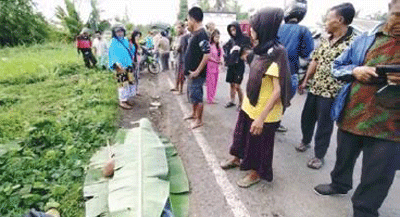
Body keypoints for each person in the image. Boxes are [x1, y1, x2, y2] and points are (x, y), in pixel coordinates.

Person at [314, 1, 400, 216]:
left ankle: (365, 210)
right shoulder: (367, 38)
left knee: (378, 172)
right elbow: (337, 66)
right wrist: (356, 70)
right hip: (354, 113)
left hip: (390, 125)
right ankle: (339, 184)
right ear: (389, 8)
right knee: (344, 154)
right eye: (397, 15)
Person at [221, 7, 292, 188]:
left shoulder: (277, 53)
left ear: (265, 28)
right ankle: (237, 159)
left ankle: (256, 173)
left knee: (260, 145)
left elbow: (277, 91)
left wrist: (261, 118)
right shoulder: (260, 49)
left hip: (265, 111)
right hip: (250, 105)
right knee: (242, 135)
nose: (250, 32)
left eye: (253, 28)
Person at [296, 3, 356, 169]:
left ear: (339, 20)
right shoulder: (324, 39)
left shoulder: (353, 43)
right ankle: (305, 141)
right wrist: (305, 80)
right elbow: (315, 60)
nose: (326, 23)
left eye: (328, 19)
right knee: (306, 117)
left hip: (332, 93)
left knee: (324, 125)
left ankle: (319, 156)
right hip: (315, 87)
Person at [276, 0, 314, 132]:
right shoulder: (304, 31)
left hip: (272, 70)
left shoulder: (277, 27)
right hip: (290, 72)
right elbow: (306, 53)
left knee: (268, 96)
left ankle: (265, 121)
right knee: (284, 101)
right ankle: (276, 122)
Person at [183, 7, 210, 129]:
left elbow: (207, 54)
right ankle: (193, 114)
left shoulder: (202, 34)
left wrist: (197, 71)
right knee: (192, 95)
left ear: (193, 19)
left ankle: (199, 120)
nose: (187, 22)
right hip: (191, 73)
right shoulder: (195, 33)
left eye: (188, 19)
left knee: (197, 97)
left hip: (196, 74)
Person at [223, 21, 251, 109]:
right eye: (231, 30)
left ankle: (241, 103)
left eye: (234, 29)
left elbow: (248, 50)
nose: (233, 32)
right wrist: (228, 55)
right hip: (231, 65)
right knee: (231, 84)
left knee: (237, 85)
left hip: (239, 65)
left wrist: (241, 49)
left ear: (238, 29)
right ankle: (232, 101)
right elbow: (225, 48)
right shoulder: (231, 40)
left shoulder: (244, 38)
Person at [108, 24, 136, 110]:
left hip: (128, 64)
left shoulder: (125, 40)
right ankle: (122, 101)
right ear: (114, 33)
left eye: (121, 31)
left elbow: (131, 50)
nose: (120, 33)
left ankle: (126, 98)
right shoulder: (113, 42)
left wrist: (132, 47)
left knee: (130, 82)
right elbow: (111, 53)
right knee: (123, 84)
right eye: (117, 31)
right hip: (120, 66)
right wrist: (116, 63)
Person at [171, 21, 190, 94]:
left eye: (179, 27)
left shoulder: (185, 36)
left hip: (182, 58)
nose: (177, 29)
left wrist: (175, 47)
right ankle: (176, 87)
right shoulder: (178, 37)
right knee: (177, 73)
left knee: (181, 74)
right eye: (177, 28)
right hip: (178, 57)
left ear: (183, 27)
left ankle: (180, 90)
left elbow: (179, 48)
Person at [206, 29, 224, 104]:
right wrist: (216, 61)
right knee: (210, 83)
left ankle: (212, 97)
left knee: (215, 83)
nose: (217, 39)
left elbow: (222, 54)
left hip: (216, 67)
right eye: (216, 37)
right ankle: (210, 98)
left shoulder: (218, 46)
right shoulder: (210, 46)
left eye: (218, 37)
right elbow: (208, 56)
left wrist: (221, 60)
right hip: (210, 66)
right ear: (212, 37)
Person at [130, 30, 142, 95]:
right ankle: (132, 91)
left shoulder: (136, 43)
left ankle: (136, 90)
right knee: (132, 76)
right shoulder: (130, 43)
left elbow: (138, 51)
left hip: (136, 61)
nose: (138, 37)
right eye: (137, 36)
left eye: (139, 36)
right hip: (132, 61)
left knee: (136, 76)